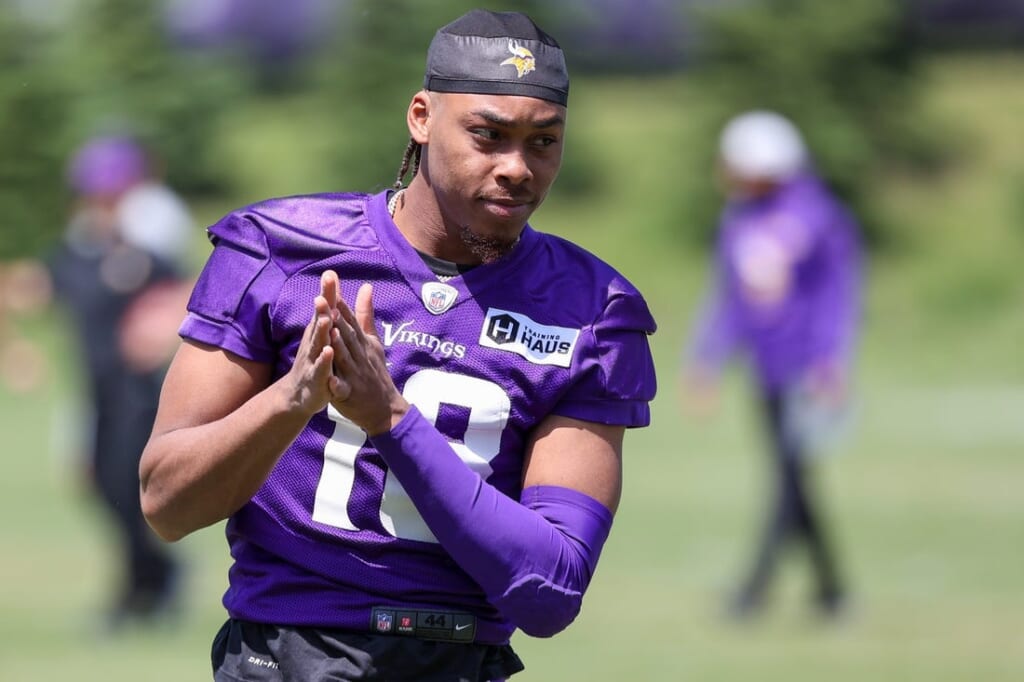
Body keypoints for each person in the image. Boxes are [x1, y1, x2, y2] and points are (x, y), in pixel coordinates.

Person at [139, 9, 657, 682]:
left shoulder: (592, 311)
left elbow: (551, 590)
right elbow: (167, 504)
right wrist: (292, 399)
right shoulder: (280, 252)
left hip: (460, 661)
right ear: (421, 117)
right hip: (286, 656)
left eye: (543, 141)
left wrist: (390, 420)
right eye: (488, 135)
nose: (517, 168)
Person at [3, 135, 193, 629]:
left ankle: (137, 591)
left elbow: (194, 290)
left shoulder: (141, 251)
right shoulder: (73, 252)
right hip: (95, 398)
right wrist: (15, 352)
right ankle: (156, 574)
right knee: (102, 487)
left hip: (139, 395)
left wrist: (164, 323)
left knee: (127, 486)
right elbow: (19, 291)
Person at [682, 110, 863, 620]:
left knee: (788, 480)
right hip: (766, 370)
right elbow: (729, 298)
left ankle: (753, 592)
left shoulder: (819, 216)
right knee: (794, 478)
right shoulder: (738, 217)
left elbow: (838, 296)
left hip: (807, 373)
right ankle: (832, 592)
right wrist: (707, 360)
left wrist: (831, 360)